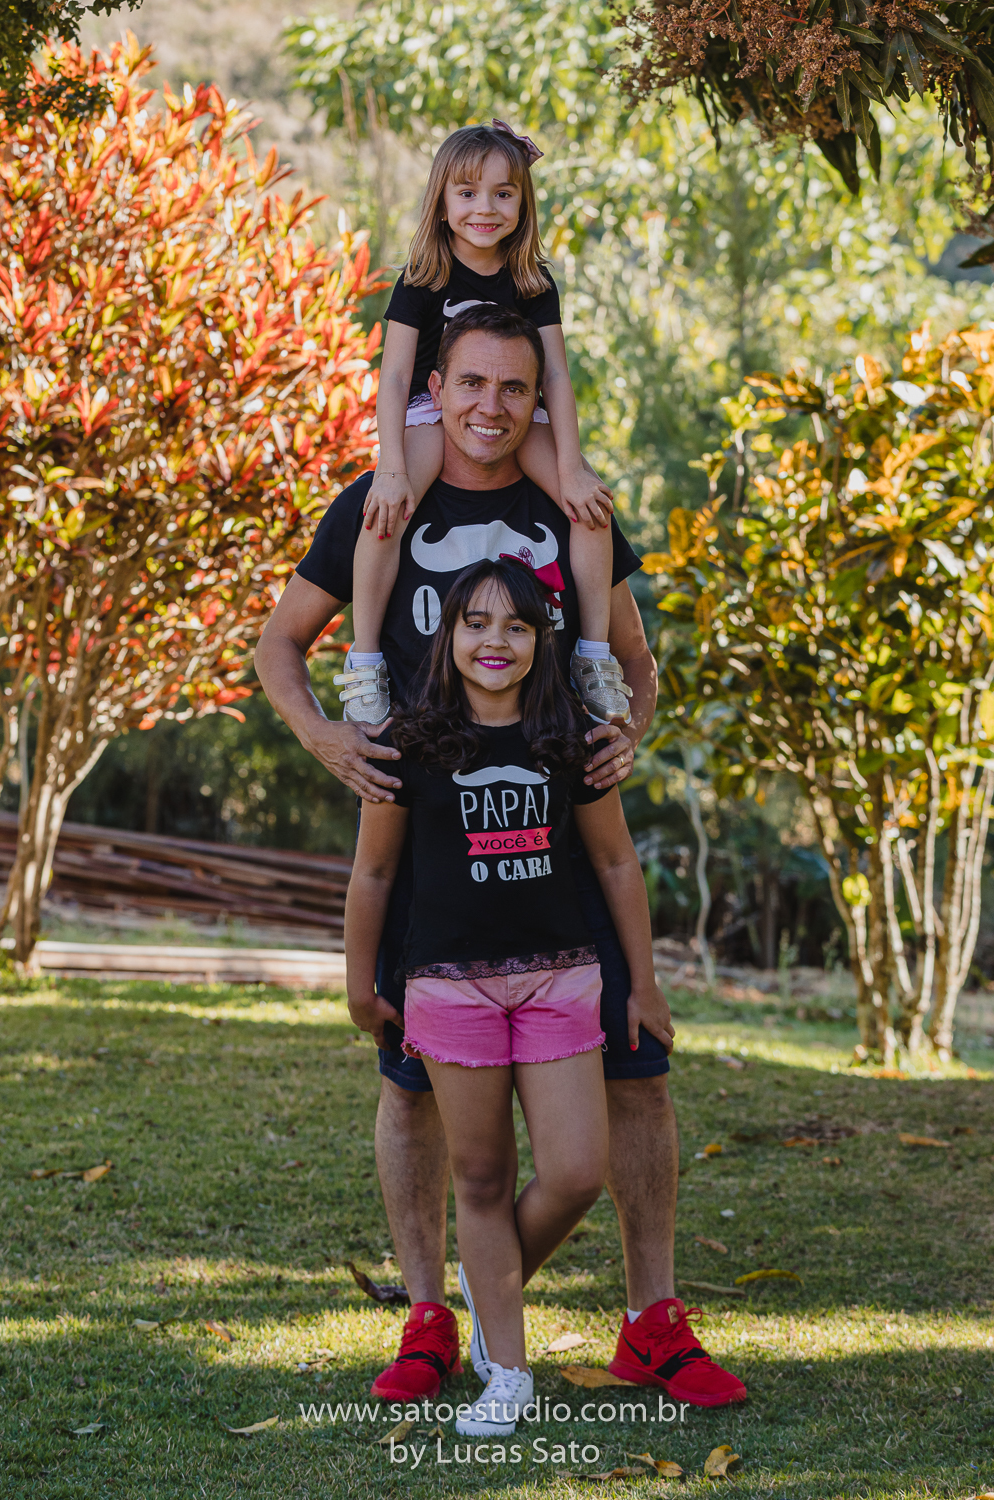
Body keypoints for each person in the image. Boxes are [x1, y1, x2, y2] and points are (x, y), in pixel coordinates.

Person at [254, 305, 746, 1411]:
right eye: (469, 384)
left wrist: (636, 722)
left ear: (538, 398)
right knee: (413, 1085)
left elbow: (631, 653)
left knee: (636, 1066)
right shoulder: (380, 503)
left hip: (567, 844)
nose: (489, 408)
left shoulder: (570, 504)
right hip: (433, 859)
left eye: (513, 390)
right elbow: (279, 643)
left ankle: (651, 1320)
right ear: (439, 382)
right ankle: (433, 1319)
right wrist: (324, 735)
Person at [346, 556, 667, 1434]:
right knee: (481, 1178)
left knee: (572, 1173)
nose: (497, 641)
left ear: (541, 641)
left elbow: (614, 862)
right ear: (449, 636)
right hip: (448, 990)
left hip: (561, 978)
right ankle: (509, 1373)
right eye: (477, 623)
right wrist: (357, 985)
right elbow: (373, 873)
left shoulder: (573, 742)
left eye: (518, 626)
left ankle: (484, 1311)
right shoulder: (411, 744)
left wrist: (641, 983)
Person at [340, 121, 629, 728]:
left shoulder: (532, 280)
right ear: (441, 203)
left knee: (592, 507)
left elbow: (554, 378)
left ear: (523, 204)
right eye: (467, 192)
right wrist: (391, 469)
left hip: (516, 414)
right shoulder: (422, 279)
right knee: (383, 511)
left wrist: (572, 468)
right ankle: (365, 660)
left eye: (504, 193)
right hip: (433, 409)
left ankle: (593, 655)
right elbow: (393, 379)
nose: (485, 208)